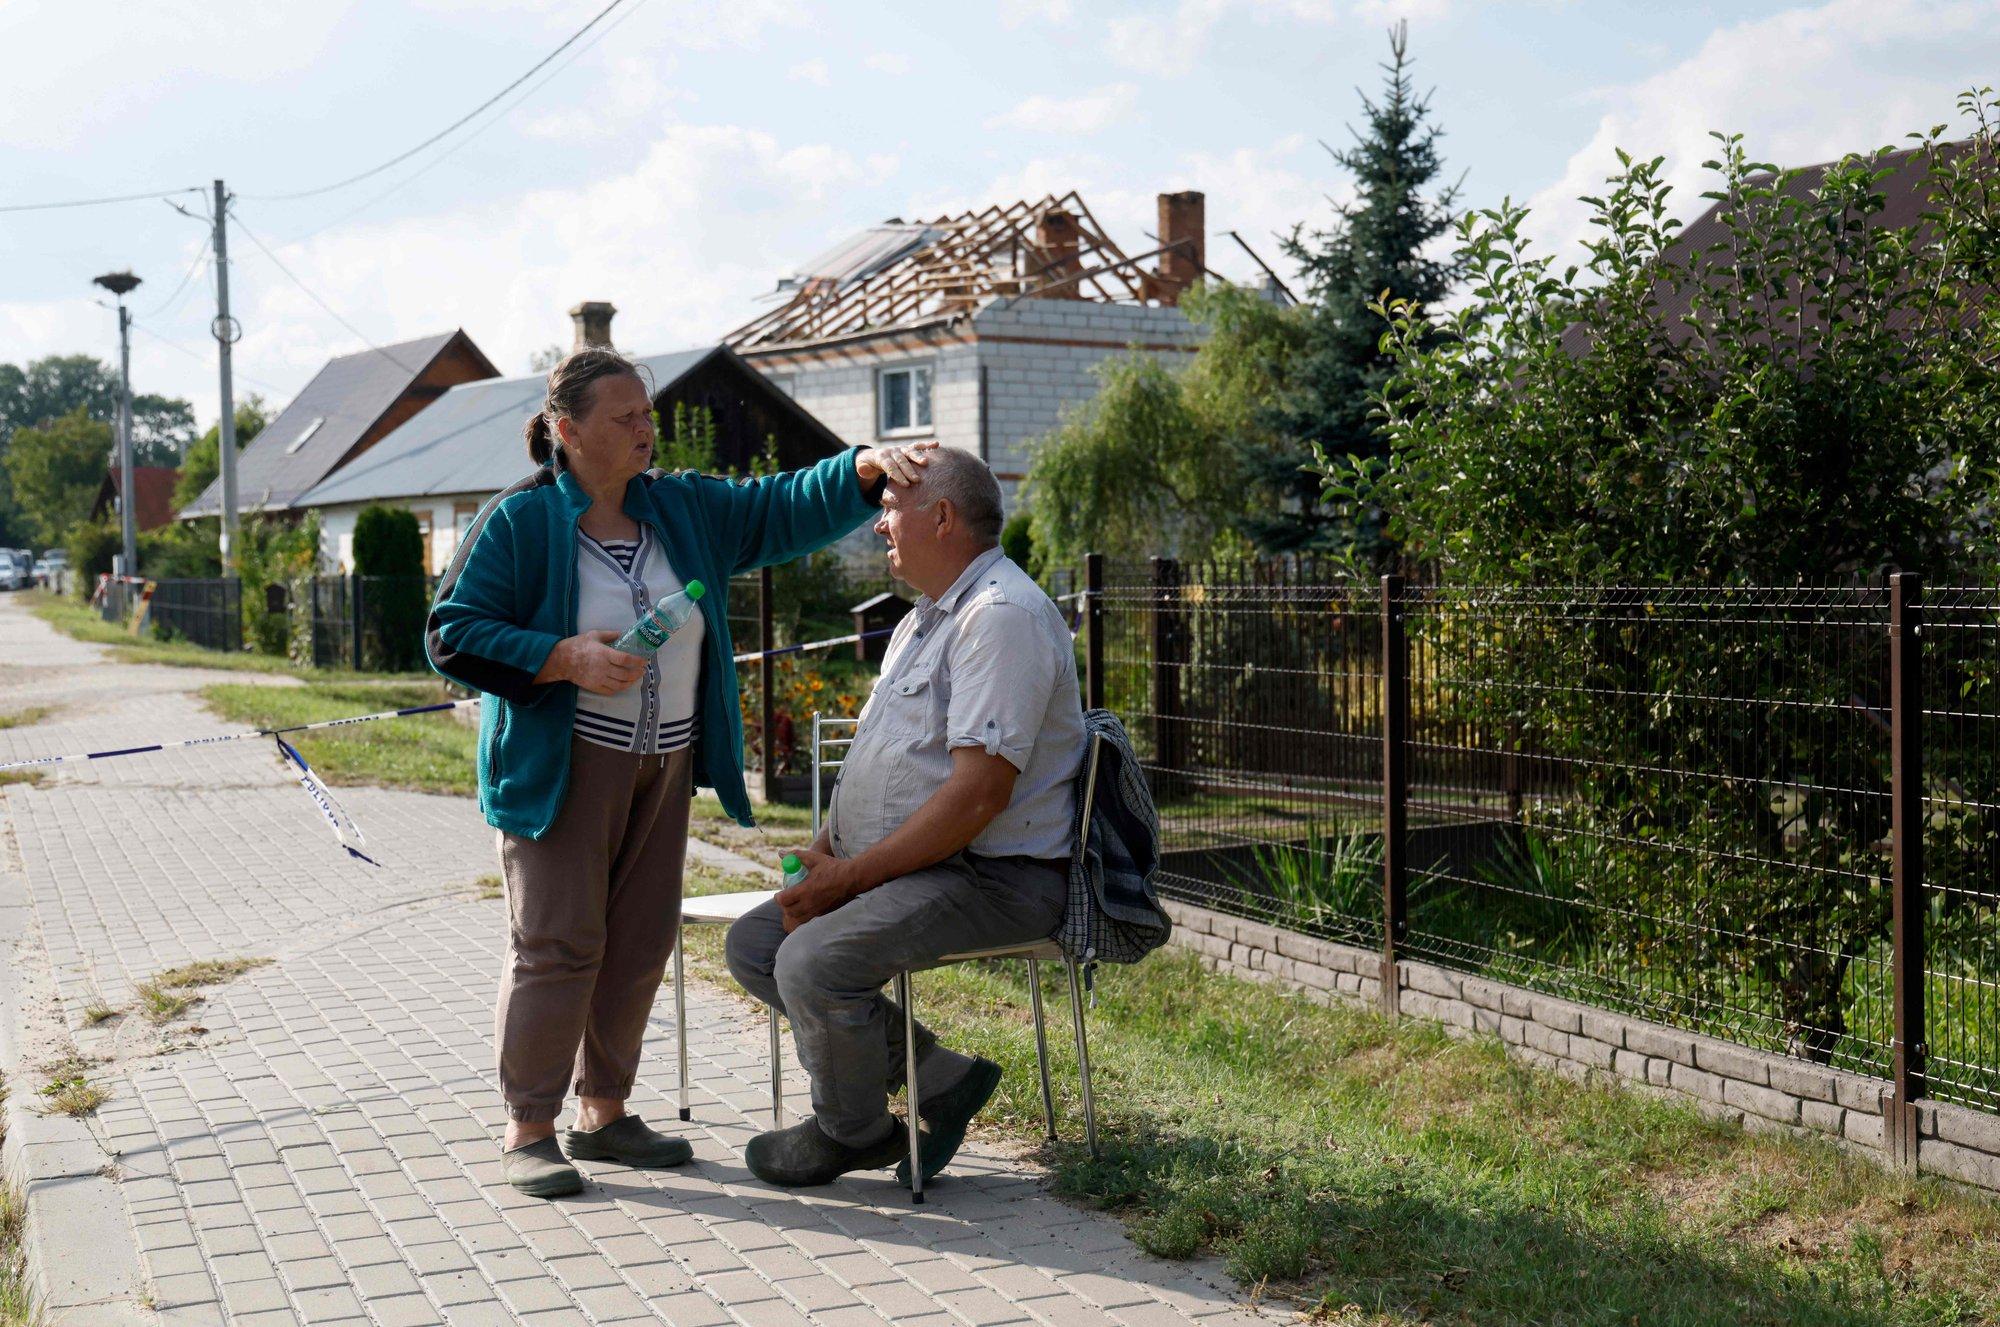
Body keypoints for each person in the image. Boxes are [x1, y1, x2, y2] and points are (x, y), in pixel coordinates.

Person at [427, 347, 933, 1198]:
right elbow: (452, 632)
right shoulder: (518, 521)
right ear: (566, 429)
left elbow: (776, 507)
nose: (643, 430)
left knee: (637, 943)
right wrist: (560, 657)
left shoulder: (680, 508)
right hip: (563, 767)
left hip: (661, 767)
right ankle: (528, 1128)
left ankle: (606, 1113)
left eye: (646, 414)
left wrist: (864, 465)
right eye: (622, 417)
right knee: (559, 945)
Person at [724, 447, 1086, 1188]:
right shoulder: (926, 619)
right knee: (758, 943)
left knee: (812, 961)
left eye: (889, 507)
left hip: (994, 877)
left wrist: (851, 877)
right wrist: (826, 853)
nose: (878, 524)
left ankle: (851, 1130)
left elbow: (978, 795)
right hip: (926, 863)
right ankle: (943, 1077)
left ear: (942, 516)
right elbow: (887, 757)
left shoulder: (1002, 618)